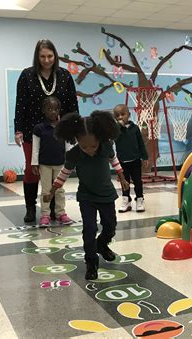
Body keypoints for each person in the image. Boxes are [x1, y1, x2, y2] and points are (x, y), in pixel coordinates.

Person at [42, 111, 130, 280]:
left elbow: (114, 160)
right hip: (86, 197)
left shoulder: (106, 146)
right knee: (89, 229)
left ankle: (102, 244)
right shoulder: (74, 154)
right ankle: (91, 262)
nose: (89, 150)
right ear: (77, 141)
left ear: (99, 139)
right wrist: (51, 192)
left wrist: (123, 178)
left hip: (106, 195)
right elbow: (63, 174)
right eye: (84, 147)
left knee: (110, 226)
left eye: (93, 146)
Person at [14, 39, 79, 224]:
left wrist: (74, 128)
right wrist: (18, 129)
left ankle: (54, 209)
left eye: (50, 56)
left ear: (55, 56)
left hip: (59, 132)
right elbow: (21, 105)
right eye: (42, 56)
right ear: (37, 57)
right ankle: (30, 208)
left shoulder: (65, 76)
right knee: (32, 169)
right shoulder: (27, 75)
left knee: (56, 170)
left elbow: (72, 105)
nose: (46, 60)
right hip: (32, 131)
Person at [31, 96, 73, 228]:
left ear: (59, 110)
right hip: (45, 165)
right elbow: (35, 147)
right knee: (46, 190)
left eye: (55, 109)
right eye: (49, 109)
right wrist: (34, 163)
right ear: (44, 110)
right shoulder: (39, 128)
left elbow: (68, 145)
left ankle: (61, 213)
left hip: (60, 164)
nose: (53, 112)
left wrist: (70, 160)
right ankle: (45, 215)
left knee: (60, 189)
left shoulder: (63, 127)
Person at [113, 104, 149, 213]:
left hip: (135, 160)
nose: (120, 117)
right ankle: (126, 200)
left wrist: (145, 157)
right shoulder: (116, 129)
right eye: (117, 115)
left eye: (122, 114)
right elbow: (113, 137)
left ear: (128, 114)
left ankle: (139, 199)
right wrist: (119, 126)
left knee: (138, 181)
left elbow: (140, 143)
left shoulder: (135, 128)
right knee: (125, 182)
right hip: (122, 161)